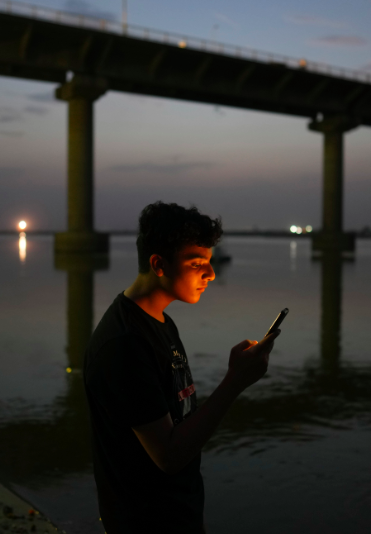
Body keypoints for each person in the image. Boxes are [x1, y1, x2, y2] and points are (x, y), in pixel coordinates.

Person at [83, 201, 280, 533]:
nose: (211, 274)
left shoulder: (161, 323)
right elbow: (169, 455)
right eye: (197, 263)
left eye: (210, 261)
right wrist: (235, 381)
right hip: (146, 522)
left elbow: (181, 423)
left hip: (177, 514)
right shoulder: (124, 344)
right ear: (158, 264)